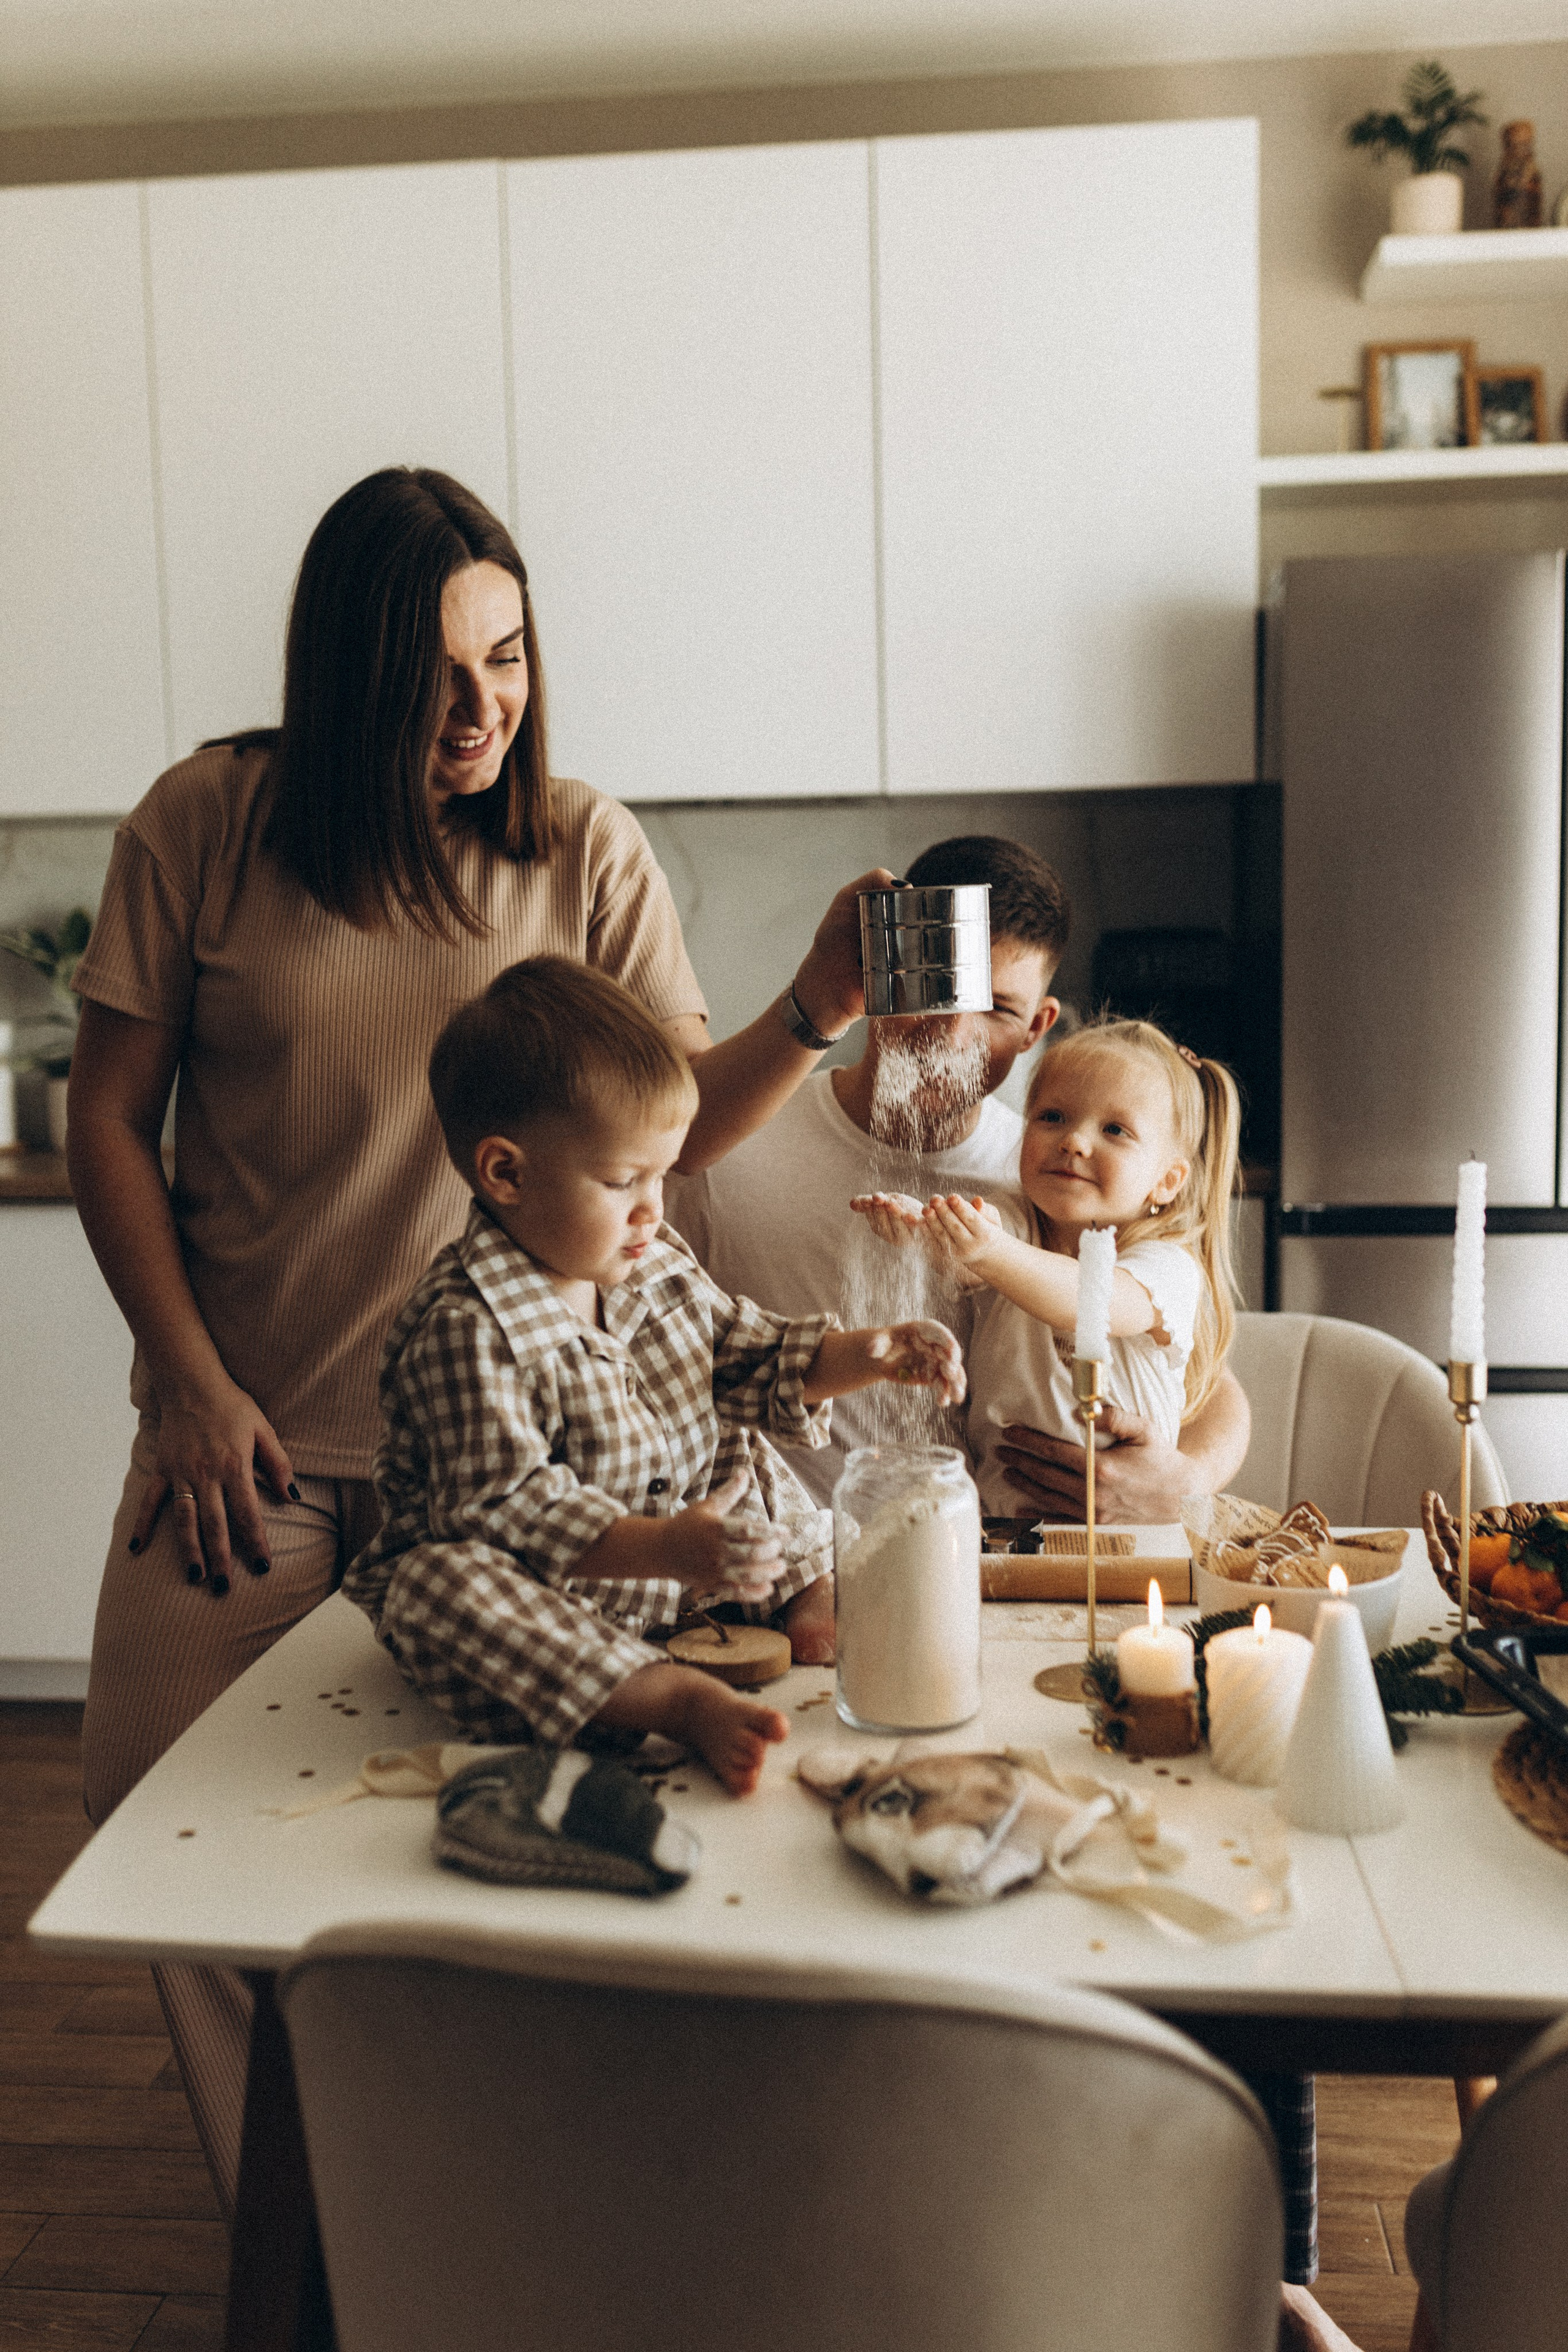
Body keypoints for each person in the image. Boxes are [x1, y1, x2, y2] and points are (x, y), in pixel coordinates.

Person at [63, 466, 891, 2211]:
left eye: (508, 656)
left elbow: (673, 1120)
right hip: (259, 1455)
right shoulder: (202, 824)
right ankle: (310, 2228)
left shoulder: (578, 843)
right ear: (341, 673)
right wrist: (193, 1389)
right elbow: (107, 1123)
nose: (482, 705)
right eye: (437, 672)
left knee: (516, 1844)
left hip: (535, 1479)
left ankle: (498, 2217)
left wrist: (814, 1014)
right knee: (148, 1813)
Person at [345, 958, 963, 1793]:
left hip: (683, 1565)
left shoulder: (651, 1258)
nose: (652, 1210)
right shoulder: (467, 1327)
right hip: (557, 1598)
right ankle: (663, 1698)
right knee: (438, 1587)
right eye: (620, 1180)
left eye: (661, 1176)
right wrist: (667, 1549)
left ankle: (810, 1585)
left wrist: (872, 1354)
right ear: (506, 1174)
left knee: (739, 1448)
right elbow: (507, 1512)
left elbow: (743, 1354)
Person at [667, 837, 1249, 1518]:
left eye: (998, 1010)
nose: (952, 1033)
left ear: (1036, 1027)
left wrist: (1185, 1477)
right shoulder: (735, 1140)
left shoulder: (1052, 1176)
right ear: (882, 973)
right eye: (935, 991)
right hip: (775, 1563)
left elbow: (1198, 1372)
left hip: (975, 1566)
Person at [858, 1016, 1241, 1518]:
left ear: (1167, 1182)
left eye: (1115, 1130)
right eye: (1053, 1117)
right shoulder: (1015, 1222)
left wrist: (988, 1249)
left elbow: (1095, 1302)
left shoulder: (1168, 1265)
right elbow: (971, 1259)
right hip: (1001, 1533)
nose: (1074, 1141)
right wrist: (927, 1231)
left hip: (1130, 1540)